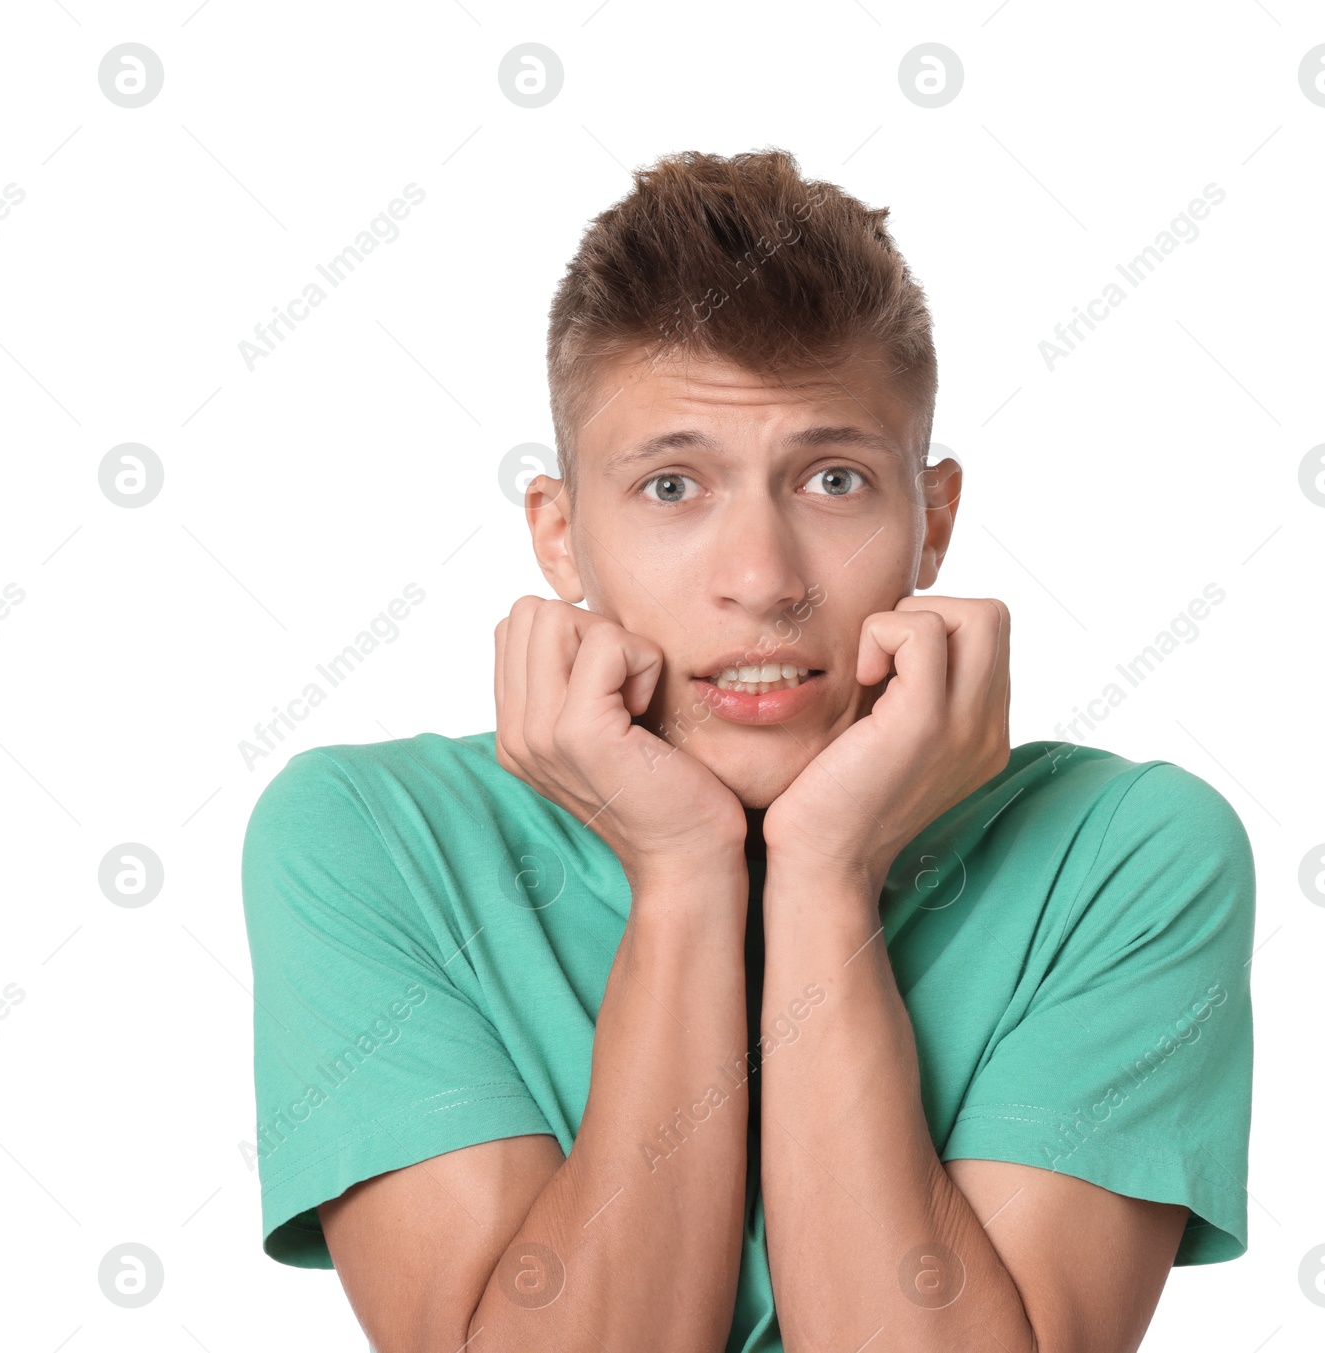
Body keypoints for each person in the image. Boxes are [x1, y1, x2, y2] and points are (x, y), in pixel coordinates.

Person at [242, 147, 1256, 1353]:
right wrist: (684, 878)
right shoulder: (372, 837)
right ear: (560, 538)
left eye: (832, 480)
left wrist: (827, 873)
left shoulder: (1125, 856)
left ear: (929, 521)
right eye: (674, 487)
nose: (763, 582)